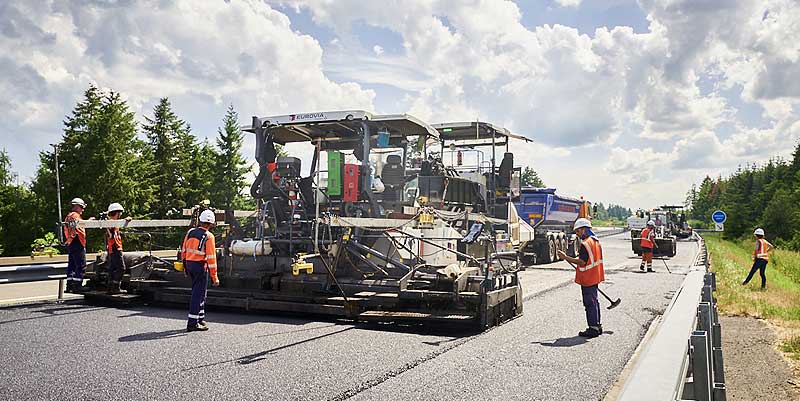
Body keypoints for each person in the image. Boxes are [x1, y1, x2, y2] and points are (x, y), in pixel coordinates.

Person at [558, 218, 606, 338]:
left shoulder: (585, 244)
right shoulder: (595, 241)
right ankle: (597, 326)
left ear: (584, 230)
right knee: (594, 302)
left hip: (588, 277)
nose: (577, 234)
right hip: (595, 275)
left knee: (589, 303)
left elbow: (581, 261)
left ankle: (593, 329)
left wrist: (565, 257)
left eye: (578, 231)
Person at [181, 210, 220, 332]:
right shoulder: (209, 236)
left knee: (201, 292)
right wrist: (215, 277)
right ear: (211, 224)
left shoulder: (190, 232)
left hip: (189, 264)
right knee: (198, 294)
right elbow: (211, 258)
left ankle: (200, 318)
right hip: (200, 266)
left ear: (200, 221)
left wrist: (185, 267)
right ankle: (192, 323)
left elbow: (184, 250)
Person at [104, 203, 130, 294]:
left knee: (113, 268)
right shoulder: (112, 222)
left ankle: (110, 287)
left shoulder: (112, 222)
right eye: (120, 213)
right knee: (121, 268)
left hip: (113, 247)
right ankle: (115, 287)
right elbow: (111, 226)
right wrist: (125, 220)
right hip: (115, 247)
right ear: (117, 213)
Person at [64, 198, 88, 293]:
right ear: (76, 206)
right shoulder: (75, 216)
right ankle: (77, 286)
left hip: (71, 242)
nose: (83, 209)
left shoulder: (69, 216)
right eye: (81, 207)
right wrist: (89, 222)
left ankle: (70, 285)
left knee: (72, 265)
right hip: (77, 242)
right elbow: (80, 225)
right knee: (81, 265)